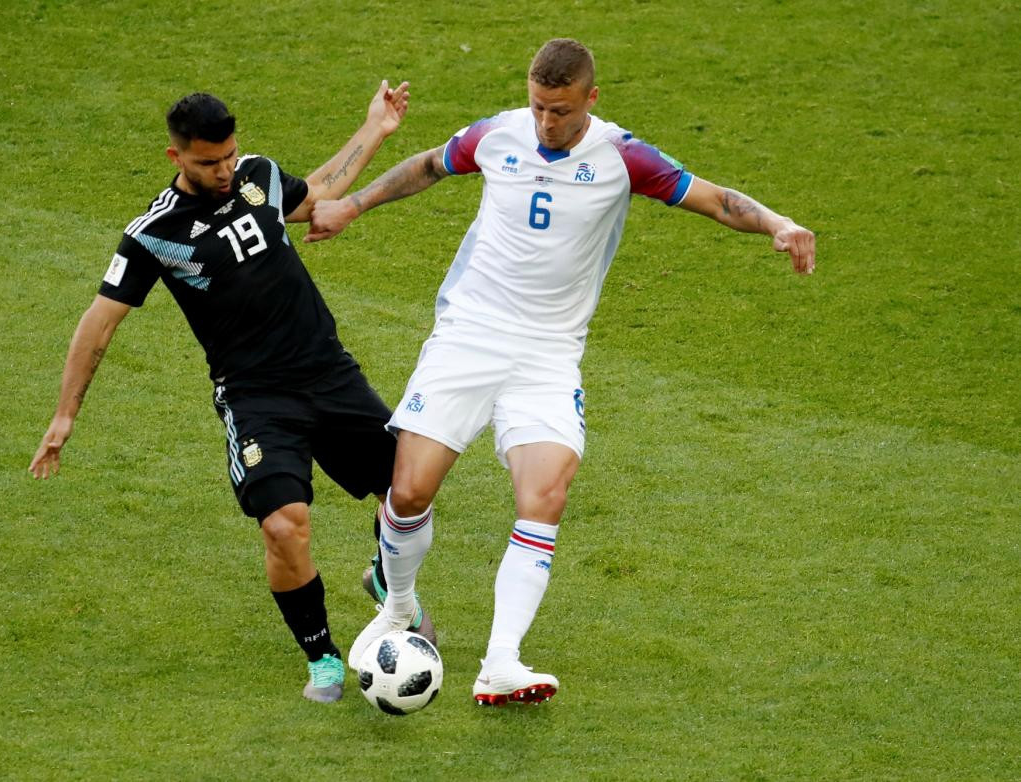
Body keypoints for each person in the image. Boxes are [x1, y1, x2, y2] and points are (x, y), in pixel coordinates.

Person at [305, 38, 816, 706]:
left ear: (591, 100)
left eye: (562, 111)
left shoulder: (622, 157)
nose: (547, 122)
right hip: (469, 338)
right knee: (409, 492)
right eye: (540, 106)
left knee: (545, 495)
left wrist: (779, 223)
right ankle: (398, 606)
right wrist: (354, 205)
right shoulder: (497, 135)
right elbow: (429, 165)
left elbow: (718, 200)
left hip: (548, 355)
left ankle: (501, 661)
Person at [28, 82, 436, 705]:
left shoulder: (256, 176)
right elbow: (98, 324)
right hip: (256, 398)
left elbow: (318, 192)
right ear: (176, 159)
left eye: (227, 156)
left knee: (407, 488)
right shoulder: (153, 235)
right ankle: (323, 655)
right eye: (206, 163)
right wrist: (64, 417)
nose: (222, 171)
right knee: (284, 525)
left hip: (328, 372)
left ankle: (385, 578)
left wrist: (375, 127)